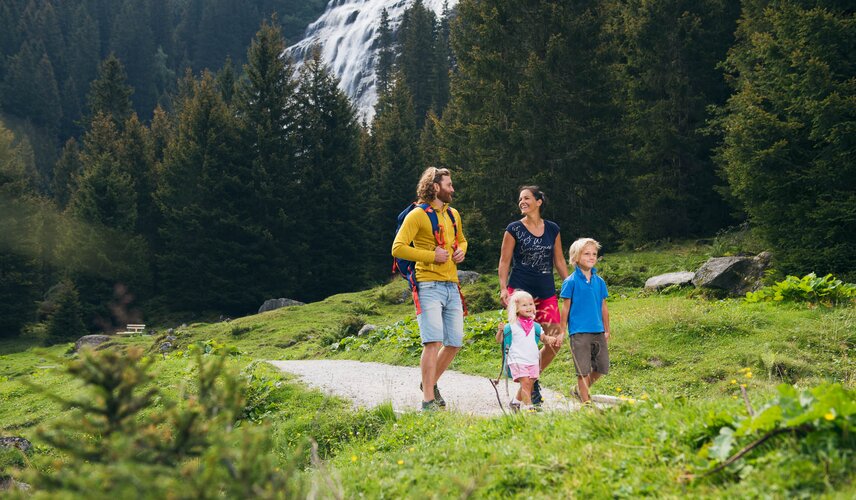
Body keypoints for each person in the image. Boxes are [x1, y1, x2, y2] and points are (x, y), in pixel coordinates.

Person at [392, 167, 467, 411]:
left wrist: (461, 250)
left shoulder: (453, 213)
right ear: (435, 187)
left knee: (454, 342)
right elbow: (398, 248)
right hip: (427, 285)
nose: (452, 189)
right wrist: (430, 256)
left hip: (452, 285)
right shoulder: (416, 215)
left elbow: (462, 239)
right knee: (432, 342)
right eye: (449, 184)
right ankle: (427, 401)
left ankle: (429, 382)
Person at [498, 186, 569, 405]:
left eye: (527, 198)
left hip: (546, 291)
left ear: (539, 201)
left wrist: (569, 285)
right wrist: (503, 288)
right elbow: (504, 261)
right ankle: (530, 387)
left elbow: (559, 260)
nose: (522, 202)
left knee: (555, 341)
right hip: (519, 292)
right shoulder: (513, 229)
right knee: (520, 341)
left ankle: (530, 382)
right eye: (520, 199)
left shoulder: (552, 229)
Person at [559, 238, 611, 404]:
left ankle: (578, 390)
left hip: (598, 330)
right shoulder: (570, 282)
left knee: (602, 367)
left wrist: (607, 329)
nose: (591, 257)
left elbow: (604, 307)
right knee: (583, 370)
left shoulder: (600, 282)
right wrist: (562, 331)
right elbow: (565, 308)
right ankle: (586, 403)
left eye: (594, 254)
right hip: (579, 332)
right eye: (586, 253)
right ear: (575, 257)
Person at [495, 290, 547, 412]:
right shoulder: (511, 326)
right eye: (524, 305)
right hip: (517, 360)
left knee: (529, 383)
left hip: (532, 360)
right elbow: (499, 340)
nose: (529, 307)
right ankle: (529, 408)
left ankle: (515, 402)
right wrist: (500, 331)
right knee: (525, 383)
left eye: (531, 304)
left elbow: (544, 339)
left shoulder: (536, 326)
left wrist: (553, 339)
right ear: (516, 309)